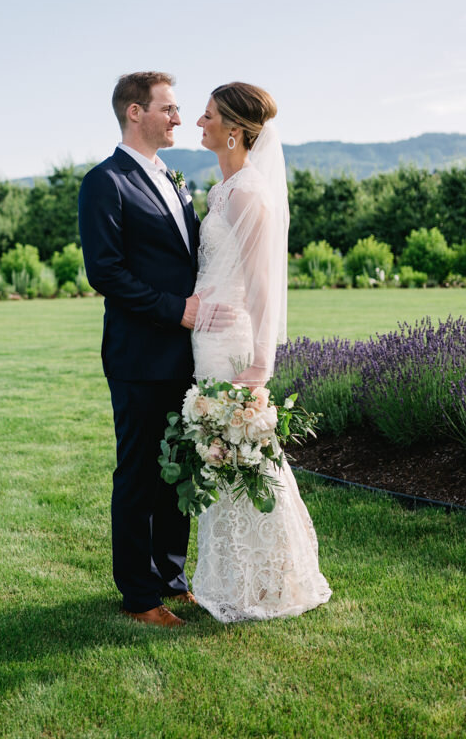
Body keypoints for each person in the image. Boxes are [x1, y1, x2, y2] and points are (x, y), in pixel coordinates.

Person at [189, 82, 332, 621]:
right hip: (205, 339)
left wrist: (261, 363)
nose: (198, 123)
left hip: (234, 346)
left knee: (248, 458)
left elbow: (263, 285)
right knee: (218, 458)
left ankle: (275, 580)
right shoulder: (220, 192)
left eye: (207, 117)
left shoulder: (250, 192)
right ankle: (232, 577)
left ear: (233, 130)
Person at [78, 71, 203, 629]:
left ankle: (171, 579)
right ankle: (138, 594)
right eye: (169, 108)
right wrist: (175, 309)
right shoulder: (104, 182)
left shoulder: (172, 179)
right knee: (138, 474)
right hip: (139, 355)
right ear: (136, 112)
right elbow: (105, 271)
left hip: (187, 354)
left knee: (180, 467)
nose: (179, 118)